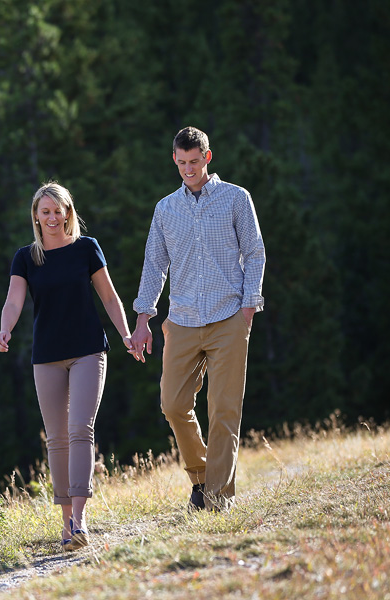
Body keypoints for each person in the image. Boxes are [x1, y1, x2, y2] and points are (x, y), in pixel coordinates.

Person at [130, 126, 266, 511]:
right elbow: (154, 265)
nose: (188, 169)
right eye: (181, 162)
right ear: (174, 159)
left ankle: (217, 497)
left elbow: (255, 253)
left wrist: (248, 307)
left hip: (229, 318)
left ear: (208, 157)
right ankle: (202, 476)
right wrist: (143, 319)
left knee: (224, 409)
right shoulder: (165, 209)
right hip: (183, 319)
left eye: (195, 162)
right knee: (172, 404)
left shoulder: (237, 198)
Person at [0, 182, 134, 551]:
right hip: (47, 355)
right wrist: (5, 329)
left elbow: (108, 294)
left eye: (59, 210)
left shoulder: (87, 249)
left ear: (69, 213)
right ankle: (66, 524)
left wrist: (125, 334)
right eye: (46, 211)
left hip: (88, 349)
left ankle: (81, 519)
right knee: (56, 438)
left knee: (80, 430)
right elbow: (13, 300)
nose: (53, 217)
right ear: (36, 217)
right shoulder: (26, 257)